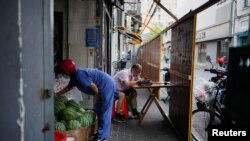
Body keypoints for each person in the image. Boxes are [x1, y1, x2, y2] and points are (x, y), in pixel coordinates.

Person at [55, 59, 116, 141]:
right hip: (102, 87)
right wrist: (56, 94)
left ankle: (102, 137)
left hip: (106, 86)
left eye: (63, 72)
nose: (63, 74)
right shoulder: (75, 76)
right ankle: (100, 132)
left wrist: (98, 96)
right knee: (98, 109)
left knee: (105, 111)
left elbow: (93, 86)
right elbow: (69, 87)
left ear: (68, 72)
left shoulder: (79, 75)